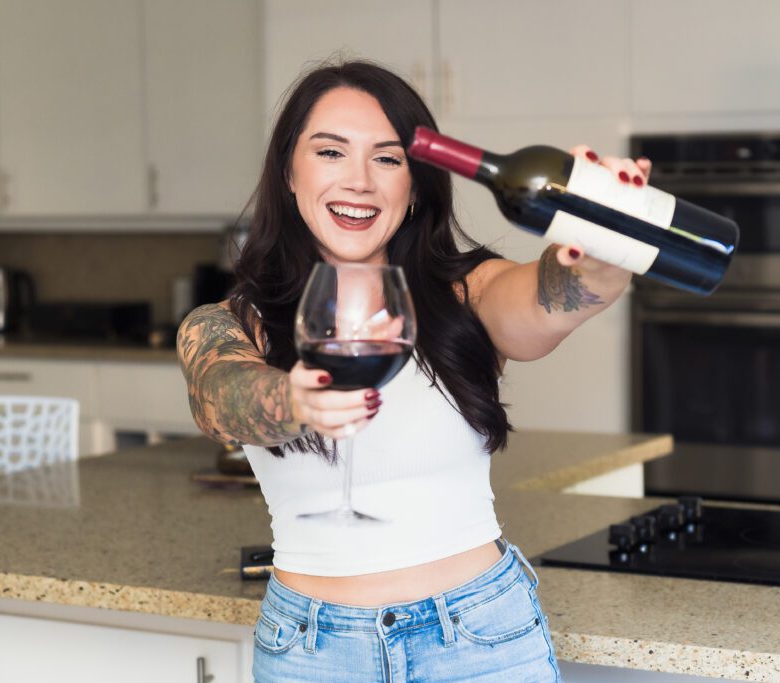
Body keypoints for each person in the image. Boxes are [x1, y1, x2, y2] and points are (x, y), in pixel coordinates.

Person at [177, 60, 651, 683]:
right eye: (330, 152)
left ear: (417, 184)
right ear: (289, 173)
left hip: (481, 638)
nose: (359, 182)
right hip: (310, 651)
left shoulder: (469, 294)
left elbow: (551, 296)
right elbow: (222, 395)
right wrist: (293, 400)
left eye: (388, 159)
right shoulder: (233, 322)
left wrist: (605, 255)